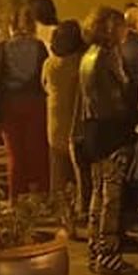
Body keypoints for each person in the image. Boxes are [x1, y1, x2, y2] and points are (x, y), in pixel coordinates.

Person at [79, 7, 138, 275]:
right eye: (121, 26)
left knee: (98, 190)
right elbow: (125, 88)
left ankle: (95, 248)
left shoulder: (88, 56)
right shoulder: (108, 55)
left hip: (93, 129)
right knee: (111, 196)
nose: (126, 31)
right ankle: (108, 253)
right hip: (112, 130)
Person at [0, 7, 51, 198]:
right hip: (35, 102)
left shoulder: (3, 48)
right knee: (38, 151)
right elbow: (44, 75)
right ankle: (41, 195)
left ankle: (16, 197)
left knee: (15, 153)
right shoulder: (39, 46)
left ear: (11, 26)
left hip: (9, 103)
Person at [43, 19, 87, 224]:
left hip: (54, 124)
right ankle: (80, 213)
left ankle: (63, 216)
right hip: (75, 125)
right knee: (79, 176)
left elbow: (43, 86)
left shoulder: (50, 64)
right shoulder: (80, 62)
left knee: (58, 175)